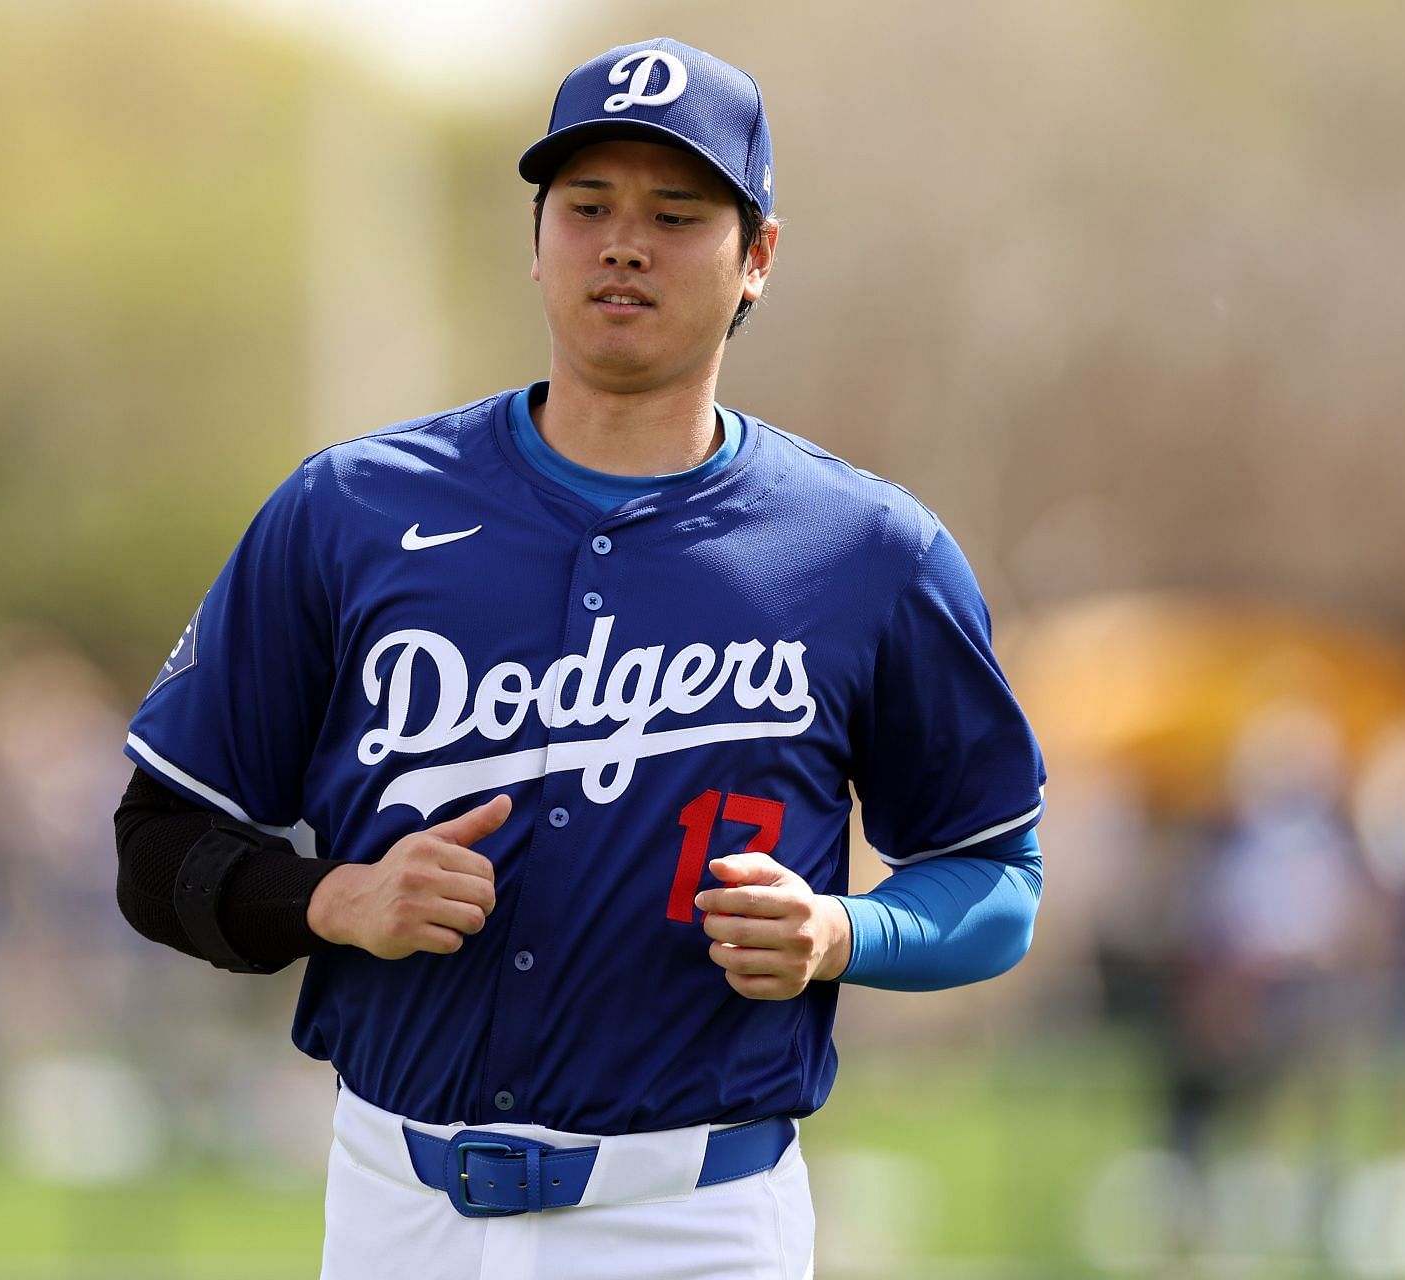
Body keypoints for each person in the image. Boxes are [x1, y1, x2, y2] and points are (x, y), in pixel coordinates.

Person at [114, 38, 1046, 1279]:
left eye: (675, 213)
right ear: (537, 236)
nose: (624, 244)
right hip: (400, 1207)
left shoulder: (866, 550)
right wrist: (332, 898)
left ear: (757, 255)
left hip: (697, 1221)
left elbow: (998, 877)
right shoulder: (350, 509)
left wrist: (841, 931)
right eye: (587, 206)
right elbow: (157, 843)